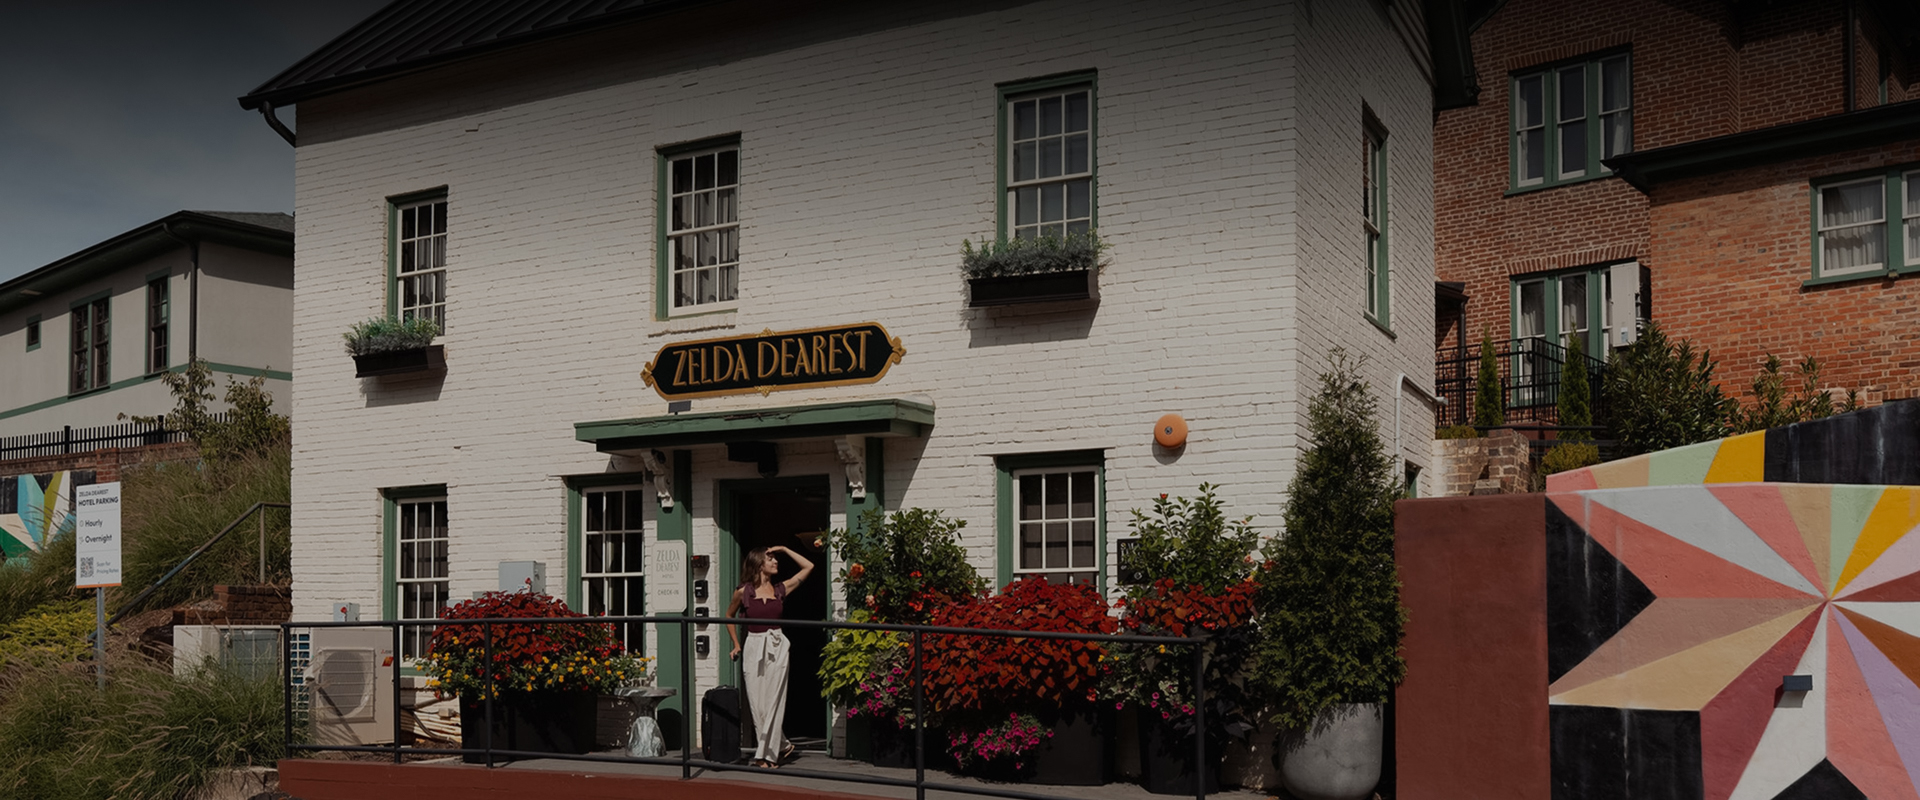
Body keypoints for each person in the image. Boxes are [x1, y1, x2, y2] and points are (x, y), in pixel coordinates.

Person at [727, 543, 814, 768]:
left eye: (776, 558)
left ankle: (766, 756)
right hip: (753, 646)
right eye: (770, 559)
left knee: (774, 700)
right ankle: (782, 745)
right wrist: (736, 644)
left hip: (777, 644)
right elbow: (729, 616)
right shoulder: (743, 592)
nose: (775, 562)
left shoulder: (780, 589)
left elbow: (809, 566)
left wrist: (786, 549)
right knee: (758, 704)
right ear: (758, 564)